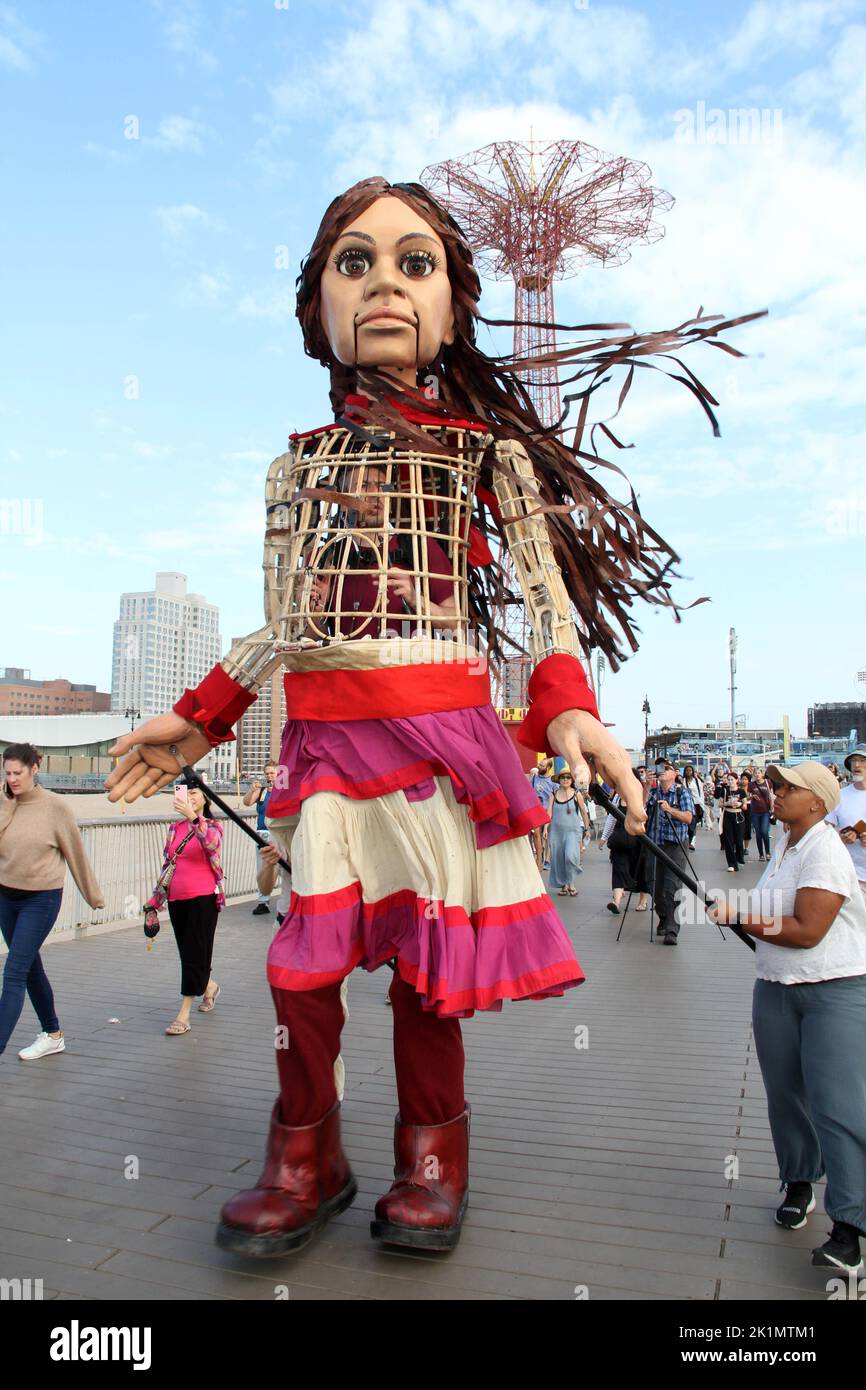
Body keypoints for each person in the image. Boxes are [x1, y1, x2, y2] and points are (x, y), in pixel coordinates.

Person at [105, 175, 750, 1258]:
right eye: (352, 263)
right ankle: (306, 1153)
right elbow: (286, 623)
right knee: (297, 968)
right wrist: (199, 717)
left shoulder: (483, 455)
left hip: (437, 738)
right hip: (324, 745)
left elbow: (543, 599)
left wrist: (567, 710)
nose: (386, 284)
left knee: (423, 967)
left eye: (416, 263)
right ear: (317, 305)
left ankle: (430, 1157)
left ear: (453, 303)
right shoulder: (294, 466)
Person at [708, 762, 866, 1273]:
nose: (775, 793)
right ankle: (800, 1182)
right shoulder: (784, 846)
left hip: (833, 988)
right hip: (775, 987)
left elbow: (806, 931)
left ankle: (851, 1228)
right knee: (785, 1096)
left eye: (787, 788)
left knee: (837, 1106)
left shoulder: (825, 849)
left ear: (818, 802)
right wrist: (739, 911)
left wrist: (738, 913)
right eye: (775, 786)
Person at [0, 743, 104, 1062]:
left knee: (14, 971)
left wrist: (94, 896)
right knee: (29, 967)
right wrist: (6, 803)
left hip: (41, 899)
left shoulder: (55, 807)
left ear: (34, 769)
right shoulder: (3, 802)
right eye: (7, 773)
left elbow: (76, 853)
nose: (13, 779)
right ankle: (53, 1033)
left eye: (18, 773)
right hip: (5, 896)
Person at [144, 780, 225, 1036]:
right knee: (189, 953)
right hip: (177, 898)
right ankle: (209, 986)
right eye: (184, 792)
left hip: (204, 898)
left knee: (195, 953)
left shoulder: (213, 826)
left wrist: (193, 818)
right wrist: (154, 903)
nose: (188, 796)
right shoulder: (173, 828)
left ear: (205, 798)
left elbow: (211, 846)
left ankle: (184, 1014)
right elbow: (168, 867)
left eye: (193, 792)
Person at [645, 762, 694, 944]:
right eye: (659, 769)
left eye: (666, 769)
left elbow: (689, 817)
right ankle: (664, 917)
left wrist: (670, 810)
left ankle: (672, 930)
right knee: (654, 886)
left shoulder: (682, 792)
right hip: (655, 844)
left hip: (675, 845)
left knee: (671, 888)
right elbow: (640, 808)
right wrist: (646, 786)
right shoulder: (653, 791)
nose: (661, 772)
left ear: (674, 773)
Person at [825, 749, 866, 905]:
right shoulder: (840, 796)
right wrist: (840, 835)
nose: (856, 764)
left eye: (862, 760)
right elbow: (825, 830)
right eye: (853, 760)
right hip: (852, 875)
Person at [599, 796, 651, 914]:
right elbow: (611, 818)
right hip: (620, 839)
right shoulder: (618, 798)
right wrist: (604, 837)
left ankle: (643, 900)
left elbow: (645, 816)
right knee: (618, 868)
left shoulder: (642, 795)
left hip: (639, 840)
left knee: (641, 870)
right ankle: (616, 902)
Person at [546, 769, 590, 896]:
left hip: (573, 831)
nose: (565, 779)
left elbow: (583, 811)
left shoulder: (577, 794)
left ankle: (571, 883)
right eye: (563, 777)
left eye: (568, 777)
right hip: (556, 831)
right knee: (559, 859)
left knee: (570, 857)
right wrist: (545, 828)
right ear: (559, 780)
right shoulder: (553, 794)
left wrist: (586, 829)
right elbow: (549, 812)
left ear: (572, 781)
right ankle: (565, 885)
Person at [243, 763, 279, 915]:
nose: (269, 776)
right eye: (267, 773)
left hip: (278, 833)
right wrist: (252, 790)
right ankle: (263, 901)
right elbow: (247, 802)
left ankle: (289, 900)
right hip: (262, 833)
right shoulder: (263, 792)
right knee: (262, 867)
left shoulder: (284, 791)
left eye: (272, 773)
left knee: (284, 869)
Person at [528, 758, 556, 870]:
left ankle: (547, 859)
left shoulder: (553, 781)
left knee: (547, 835)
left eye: (542, 765)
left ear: (548, 768)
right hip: (536, 811)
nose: (539, 767)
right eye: (539, 764)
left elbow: (555, 798)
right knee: (536, 834)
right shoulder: (535, 778)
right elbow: (529, 792)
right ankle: (539, 860)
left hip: (549, 811)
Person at [721, 772, 747, 872]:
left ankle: (739, 857)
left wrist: (739, 804)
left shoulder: (741, 791)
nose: (730, 781)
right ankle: (731, 863)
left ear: (737, 780)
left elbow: (745, 806)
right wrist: (727, 803)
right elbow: (720, 804)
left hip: (739, 816)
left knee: (739, 841)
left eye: (732, 779)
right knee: (729, 841)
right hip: (728, 815)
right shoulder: (725, 791)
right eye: (729, 779)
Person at [750, 767, 774, 862]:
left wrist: (772, 808)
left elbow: (771, 796)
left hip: (765, 811)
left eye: (759, 773)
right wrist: (752, 796)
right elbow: (747, 797)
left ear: (762, 774)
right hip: (754, 811)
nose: (757, 775)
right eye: (755, 773)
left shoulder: (768, 783)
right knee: (758, 833)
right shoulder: (751, 785)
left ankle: (768, 852)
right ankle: (761, 854)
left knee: (764, 831)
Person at [682, 765, 704, 850]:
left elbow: (701, 794)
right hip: (685, 804)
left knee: (693, 824)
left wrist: (702, 805)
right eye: (687, 770)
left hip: (696, 804)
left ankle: (692, 842)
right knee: (687, 823)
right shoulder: (682, 781)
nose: (688, 772)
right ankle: (687, 841)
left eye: (690, 770)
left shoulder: (697, 781)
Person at [739, 772, 753, 857]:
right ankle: (739, 846)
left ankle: (746, 848)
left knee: (747, 827)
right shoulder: (738, 788)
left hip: (749, 808)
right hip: (740, 807)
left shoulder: (751, 788)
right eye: (742, 779)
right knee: (740, 827)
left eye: (746, 779)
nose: (744, 781)